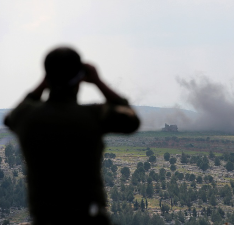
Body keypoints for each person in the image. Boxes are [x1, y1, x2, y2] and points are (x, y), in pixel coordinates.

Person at [4, 47, 140, 225]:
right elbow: (131, 120)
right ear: (80, 79)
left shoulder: (28, 117)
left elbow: (12, 117)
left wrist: (44, 82)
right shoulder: (93, 115)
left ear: (47, 77)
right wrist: (98, 82)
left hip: (45, 218)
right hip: (89, 218)